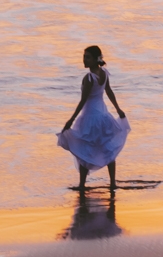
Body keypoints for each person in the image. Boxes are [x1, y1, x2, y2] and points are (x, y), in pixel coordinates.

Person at [56, 46, 130, 195]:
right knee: (107, 147)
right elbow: (109, 92)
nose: (84, 59)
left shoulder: (89, 78)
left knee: (84, 148)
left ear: (96, 59)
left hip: (90, 117)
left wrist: (71, 119)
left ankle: (82, 185)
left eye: (87, 57)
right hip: (103, 115)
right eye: (84, 56)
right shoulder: (103, 73)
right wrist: (118, 109)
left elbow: (83, 101)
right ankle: (113, 183)